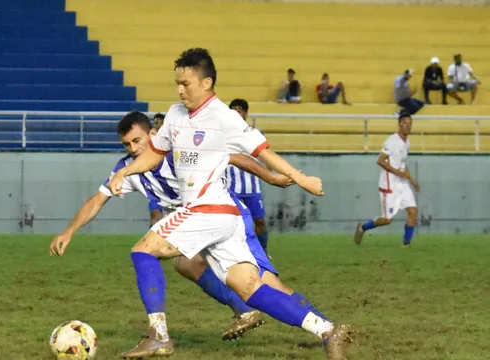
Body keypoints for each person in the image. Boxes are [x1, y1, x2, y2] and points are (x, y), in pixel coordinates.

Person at [107, 48, 352, 359]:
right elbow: (155, 152)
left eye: (186, 83)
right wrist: (126, 170)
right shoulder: (175, 115)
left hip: (206, 209)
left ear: (207, 82)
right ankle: (328, 331)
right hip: (224, 216)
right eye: (177, 83)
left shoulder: (225, 118)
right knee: (248, 286)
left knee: (143, 251)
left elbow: (263, 151)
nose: (180, 90)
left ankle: (159, 337)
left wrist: (299, 178)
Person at [50, 111, 330, 342]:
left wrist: (270, 177)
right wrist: (69, 231)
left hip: (227, 216)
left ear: (152, 135)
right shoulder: (129, 168)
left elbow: (233, 156)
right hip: (193, 223)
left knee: (267, 284)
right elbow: (97, 200)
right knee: (186, 265)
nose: (133, 149)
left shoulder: (179, 150)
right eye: (127, 144)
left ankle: (326, 328)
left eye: (137, 141)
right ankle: (247, 312)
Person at [353, 112, 419, 247]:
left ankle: (406, 244)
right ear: (400, 124)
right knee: (387, 220)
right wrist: (397, 172)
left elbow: (402, 164)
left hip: (402, 184)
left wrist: (411, 180)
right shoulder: (391, 141)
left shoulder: (406, 143)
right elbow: (380, 161)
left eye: (410, 123)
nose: (408, 126)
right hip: (389, 185)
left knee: (413, 211)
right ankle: (363, 227)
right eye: (405, 123)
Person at [225, 99, 271, 255]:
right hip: (231, 189)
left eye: (240, 110)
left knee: (259, 221)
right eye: (234, 110)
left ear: (246, 113)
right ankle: (234, 255)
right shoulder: (221, 135)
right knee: (232, 225)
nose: (237, 112)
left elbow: (267, 158)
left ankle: (263, 253)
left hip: (252, 189)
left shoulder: (256, 135)